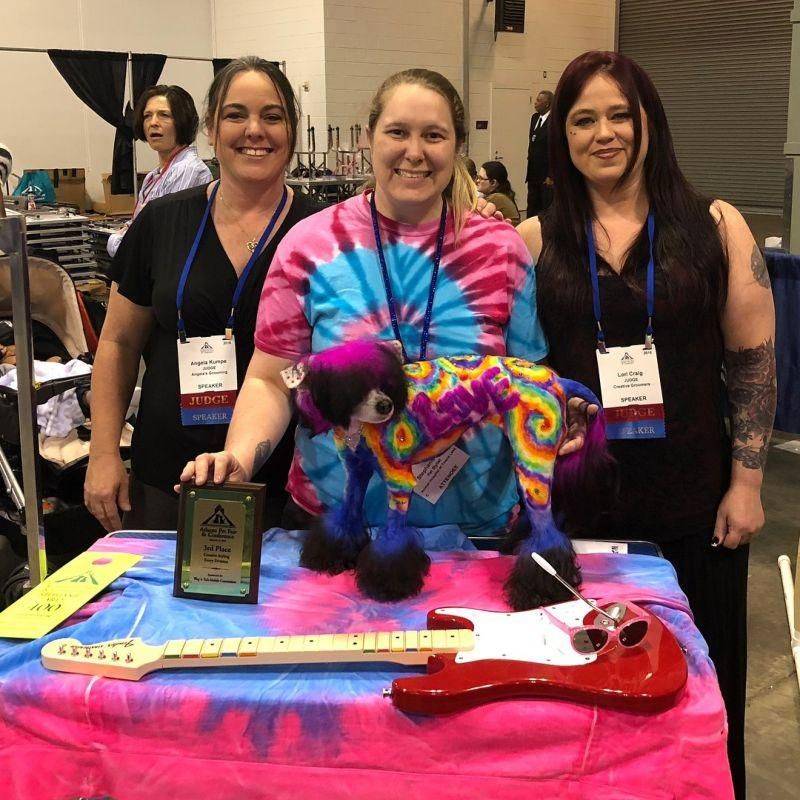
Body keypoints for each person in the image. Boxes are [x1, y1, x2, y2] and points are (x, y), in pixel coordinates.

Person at [517, 51, 776, 799]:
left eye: (619, 115)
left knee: (702, 696)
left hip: (698, 507)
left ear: (648, 123)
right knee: (585, 701)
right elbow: (523, 374)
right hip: (583, 511)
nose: (603, 133)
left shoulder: (715, 226)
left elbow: (753, 362)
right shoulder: (534, 240)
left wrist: (748, 485)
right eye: (583, 119)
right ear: (561, 135)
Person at [182, 68, 591, 540]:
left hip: (477, 529)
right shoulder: (309, 245)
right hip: (336, 525)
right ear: (368, 137)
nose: (414, 152)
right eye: (397, 132)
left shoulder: (501, 249)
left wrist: (564, 410)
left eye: (433, 136)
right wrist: (239, 458)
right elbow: (271, 379)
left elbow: (526, 374)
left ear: (457, 146)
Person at [84, 57, 322, 532]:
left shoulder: (322, 231)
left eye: (272, 116)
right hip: (168, 474)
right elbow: (118, 343)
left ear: (292, 131)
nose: (254, 130)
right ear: (211, 128)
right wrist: (103, 452)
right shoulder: (162, 221)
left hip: (289, 480)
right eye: (235, 115)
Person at [106, 85, 212, 257]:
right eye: (147, 116)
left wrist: (119, 240)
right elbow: (140, 227)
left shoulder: (189, 170)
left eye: (164, 115)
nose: (153, 122)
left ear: (183, 121)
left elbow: (163, 238)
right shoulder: (152, 176)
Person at [525, 89, 553, 218]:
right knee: (532, 205)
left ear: (547, 104)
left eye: (538, 100)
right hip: (533, 172)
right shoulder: (534, 118)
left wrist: (551, 174)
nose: (535, 103)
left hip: (546, 175)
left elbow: (555, 148)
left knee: (545, 207)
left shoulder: (554, 121)